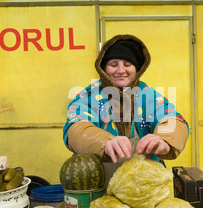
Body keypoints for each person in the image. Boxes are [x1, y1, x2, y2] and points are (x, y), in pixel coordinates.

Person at [63, 34, 188, 185]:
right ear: (103, 68)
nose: (120, 70)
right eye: (114, 64)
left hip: (143, 187)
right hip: (100, 187)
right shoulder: (88, 97)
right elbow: (76, 127)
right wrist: (104, 142)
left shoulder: (148, 95)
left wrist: (165, 139)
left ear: (137, 68)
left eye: (127, 64)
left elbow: (172, 119)